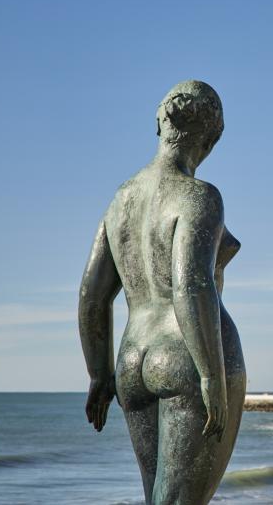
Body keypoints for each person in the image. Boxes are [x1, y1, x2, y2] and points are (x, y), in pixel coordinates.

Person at [78, 81, 246, 504]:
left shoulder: (122, 200)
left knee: (157, 497)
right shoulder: (199, 197)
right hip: (188, 355)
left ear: (159, 123)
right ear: (211, 139)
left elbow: (92, 297)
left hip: (133, 359)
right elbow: (191, 284)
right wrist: (211, 374)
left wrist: (99, 374)